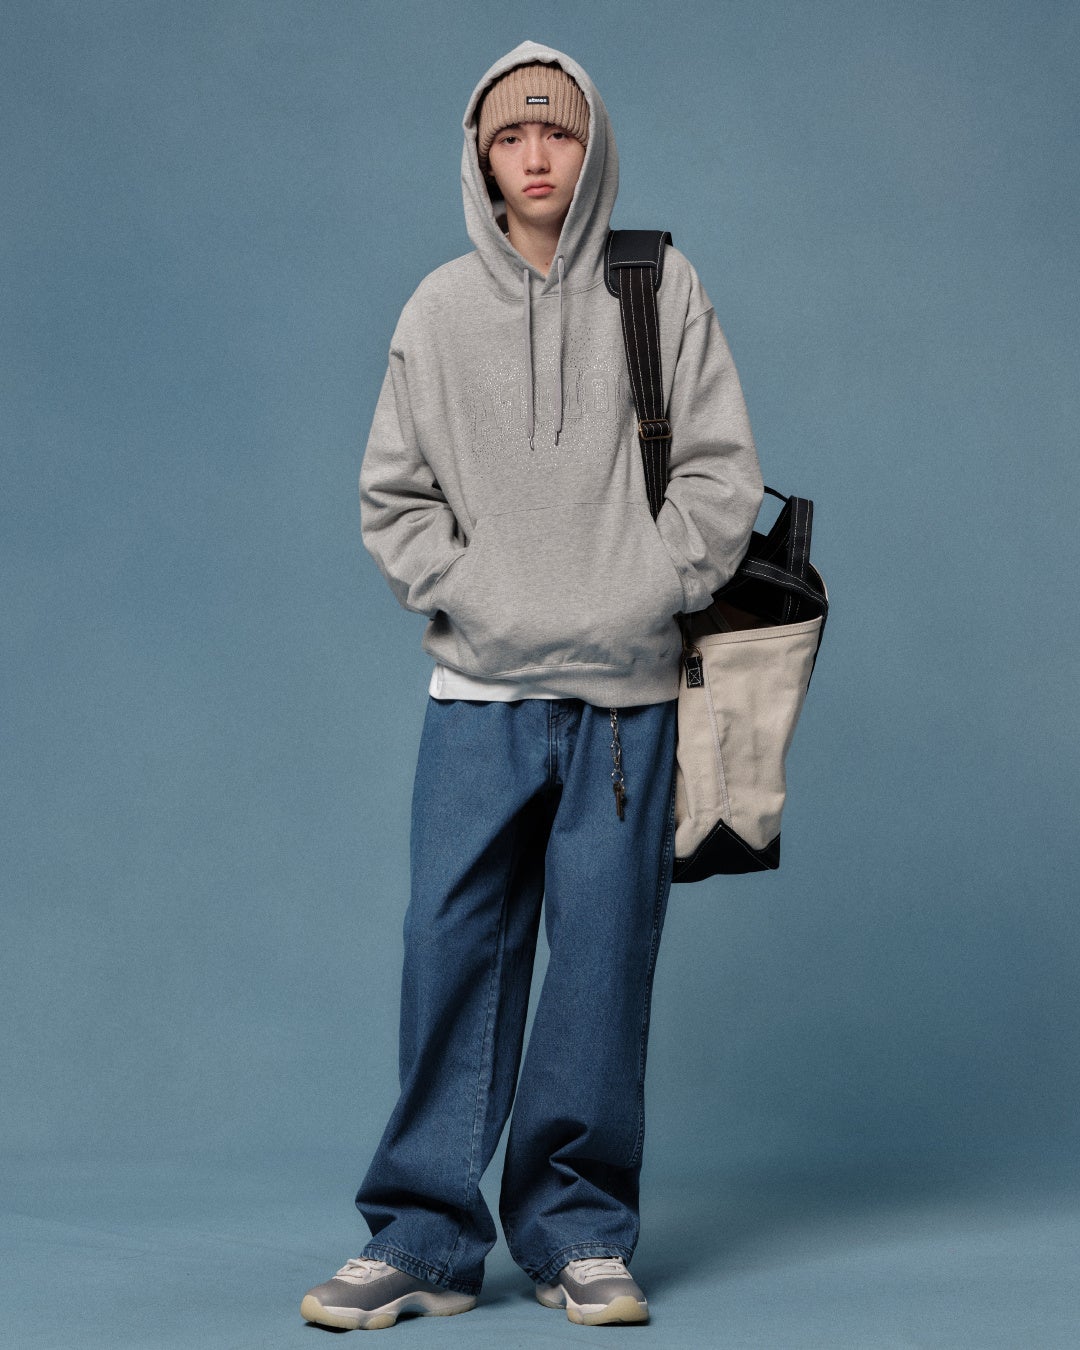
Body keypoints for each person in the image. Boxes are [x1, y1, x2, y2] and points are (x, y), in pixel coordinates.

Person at [301, 40, 763, 1331]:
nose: (538, 155)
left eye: (558, 131)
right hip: (478, 696)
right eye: (512, 136)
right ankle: (422, 1237)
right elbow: (392, 496)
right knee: (449, 951)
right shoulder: (437, 311)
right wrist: (475, 595)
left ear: (592, 142)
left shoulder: (659, 285)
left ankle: (578, 1232)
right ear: (482, 157)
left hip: (626, 703)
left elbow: (722, 474)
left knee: (602, 965)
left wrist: (646, 586)